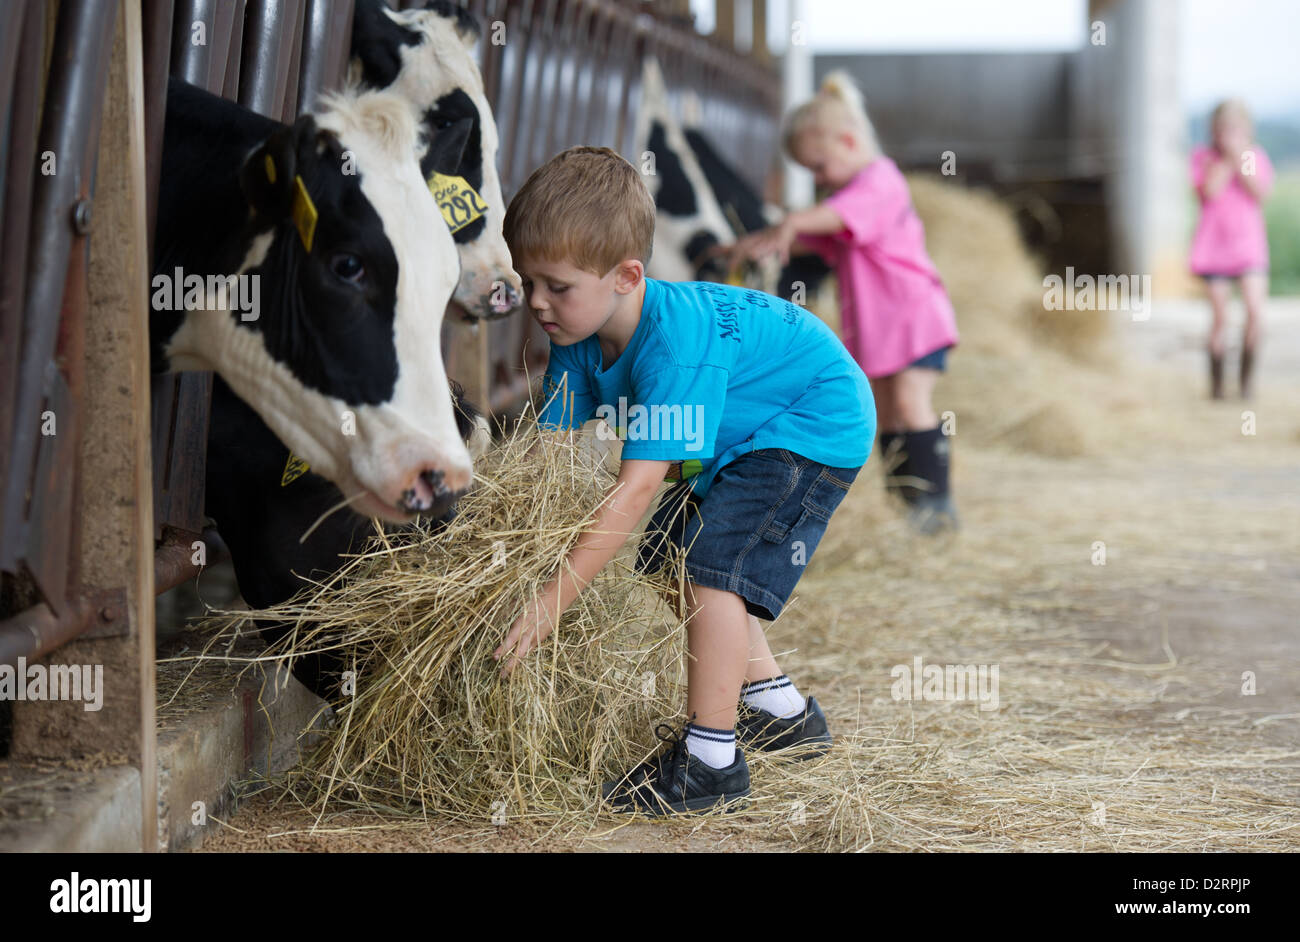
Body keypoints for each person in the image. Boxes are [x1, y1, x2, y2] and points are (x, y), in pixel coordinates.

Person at [494, 146, 874, 815]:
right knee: (668, 553)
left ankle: (710, 764)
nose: (536, 302)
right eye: (529, 282)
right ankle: (781, 714)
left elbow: (635, 489)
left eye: (556, 286)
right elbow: (550, 455)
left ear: (626, 275)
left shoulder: (672, 347)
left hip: (813, 421)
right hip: (748, 435)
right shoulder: (577, 334)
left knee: (709, 568)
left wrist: (551, 602)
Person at [726, 72, 959, 533]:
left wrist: (791, 222)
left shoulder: (881, 180)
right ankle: (905, 503)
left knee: (911, 404)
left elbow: (832, 218)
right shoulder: (849, 198)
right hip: (884, 329)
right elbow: (828, 238)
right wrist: (767, 240)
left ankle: (937, 505)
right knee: (887, 411)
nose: (816, 179)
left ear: (849, 142)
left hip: (913, 320)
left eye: (818, 167)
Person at [1190, 99, 1273, 399]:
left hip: (1249, 248)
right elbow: (1209, 192)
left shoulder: (1254, 156)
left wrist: (1240, 157)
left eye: (1236, 129)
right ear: (1214, 131)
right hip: (1213, 248)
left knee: (1254, 311)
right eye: (1225, 129)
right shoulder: (1203, 158)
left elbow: (1259, 191)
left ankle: (1246, 384)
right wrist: (1226, 160)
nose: (1230, 135)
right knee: (1220, 317)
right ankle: (1217, 388)